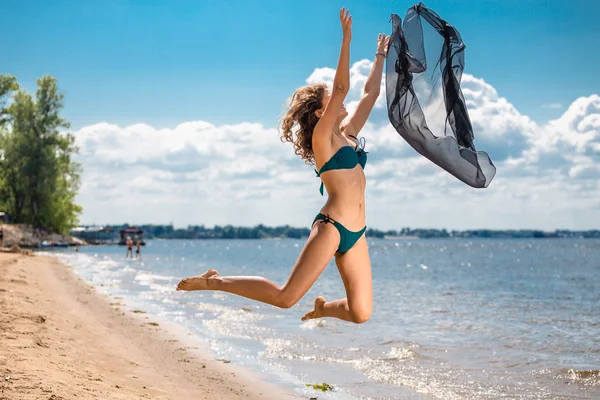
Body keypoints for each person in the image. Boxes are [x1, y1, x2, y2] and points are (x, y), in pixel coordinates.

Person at [177, 9, 388, 324]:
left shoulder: (348, 137)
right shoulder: (322, 140)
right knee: (286, 297)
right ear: (320, 113)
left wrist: (379, 56)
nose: (341, 102)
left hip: (357, 231)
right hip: (332, 227)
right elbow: (342, 89)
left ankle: (323, 309)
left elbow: (370, 94)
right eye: (331, 101)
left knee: (360, 313)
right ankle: (213, 281)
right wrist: (346, 40)